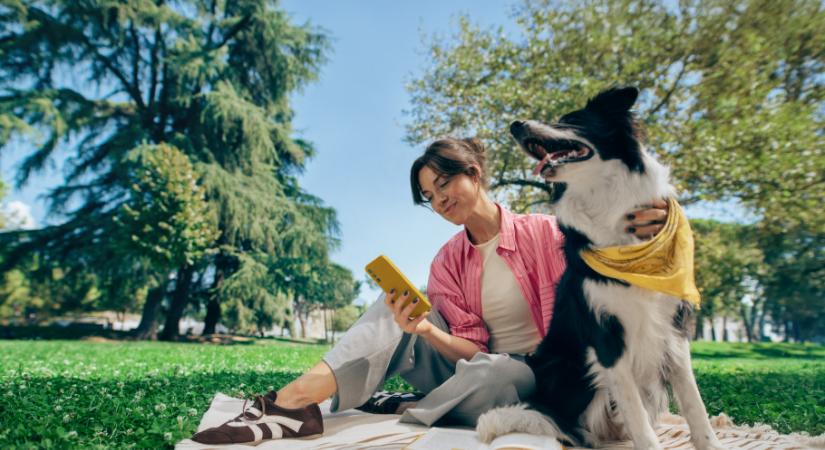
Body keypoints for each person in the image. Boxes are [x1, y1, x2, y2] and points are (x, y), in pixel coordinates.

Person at [191, 137, 668, 445]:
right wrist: (422, 330)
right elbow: (469, 348)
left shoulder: (547, 233)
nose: (440, 200)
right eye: (430, 196)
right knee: (392, 305)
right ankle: (294, 403)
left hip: (543, 371)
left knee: (498, 377)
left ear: (475, 174)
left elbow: (605, 259)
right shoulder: (448, 260)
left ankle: (404, 406)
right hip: (470, 364)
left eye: (445, 184)